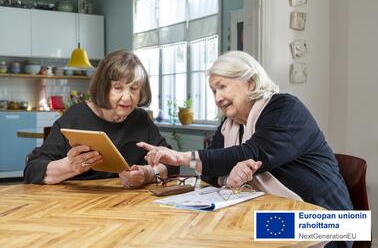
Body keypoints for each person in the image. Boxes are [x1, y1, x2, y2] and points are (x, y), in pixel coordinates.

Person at [138, 50, 353, 212]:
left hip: (329, 220)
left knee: (234, 236)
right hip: (276, 211)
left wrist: (181, 157)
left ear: (250, 83)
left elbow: (253, 154)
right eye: (214, 91)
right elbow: (211, 172)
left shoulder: (286, 108)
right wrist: (227, 178)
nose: (217, 98)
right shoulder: (230, 125)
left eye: (222, 86)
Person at [24, 50, 178, 187]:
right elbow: (33, 170)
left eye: (134, 88)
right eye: (118, 87)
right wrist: (70, 166)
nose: (127, 97)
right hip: (77, 208)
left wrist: (147, 174)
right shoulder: (76, 117)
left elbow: (171, 163)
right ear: (103, 87)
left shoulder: (141, 119)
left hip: (128, 207)